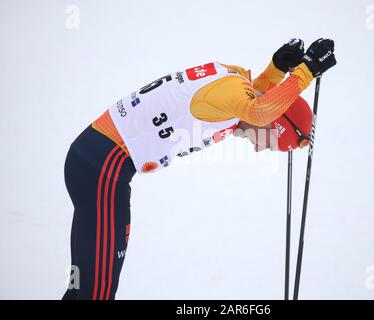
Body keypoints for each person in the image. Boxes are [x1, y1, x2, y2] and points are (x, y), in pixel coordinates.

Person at [62, 38, 337, 299]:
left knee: (84, 288)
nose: (257, 147)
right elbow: (259, 110)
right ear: (274, 118)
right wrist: (307, 70)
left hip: (97, 164)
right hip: (102, 169)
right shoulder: (242, 100)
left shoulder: (234, 85)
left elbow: (256, 97)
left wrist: (276, 70)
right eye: (268, 143)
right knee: (96, 293)